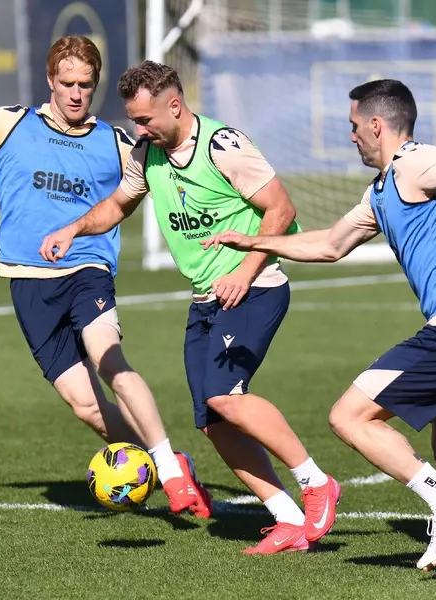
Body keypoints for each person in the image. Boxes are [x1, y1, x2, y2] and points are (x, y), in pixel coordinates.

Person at [202, 79, 436, 571]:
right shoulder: (380, 191)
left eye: (354, 126)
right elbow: (329, 245)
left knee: (348, 416)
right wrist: (256, 243)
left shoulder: (414, 163)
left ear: (377, 125)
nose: (352, 136)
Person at [39, 60, 341, 554]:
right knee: (211, 421)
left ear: (174, 104)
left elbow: (281, 210)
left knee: (225, 396)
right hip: (204, 299)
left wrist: (244, 273)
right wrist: (73, 229)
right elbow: (118, 205)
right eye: (134, 120)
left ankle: (315, 482)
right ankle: (287, 518)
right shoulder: (148, 151)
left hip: (256, 285)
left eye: (144, 119)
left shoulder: (223, 145)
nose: (138, 129)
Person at [0, 36, 211, 518]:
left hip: (87, 270)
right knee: (86, 408)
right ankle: (172, 463)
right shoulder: (9, 123)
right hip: (28, 280)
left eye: (86, 85)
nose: (77, 94)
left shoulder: (118, 143)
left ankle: (172, 475)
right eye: (68, 83)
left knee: (108, 359)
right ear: (50, 81)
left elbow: (173, 177)